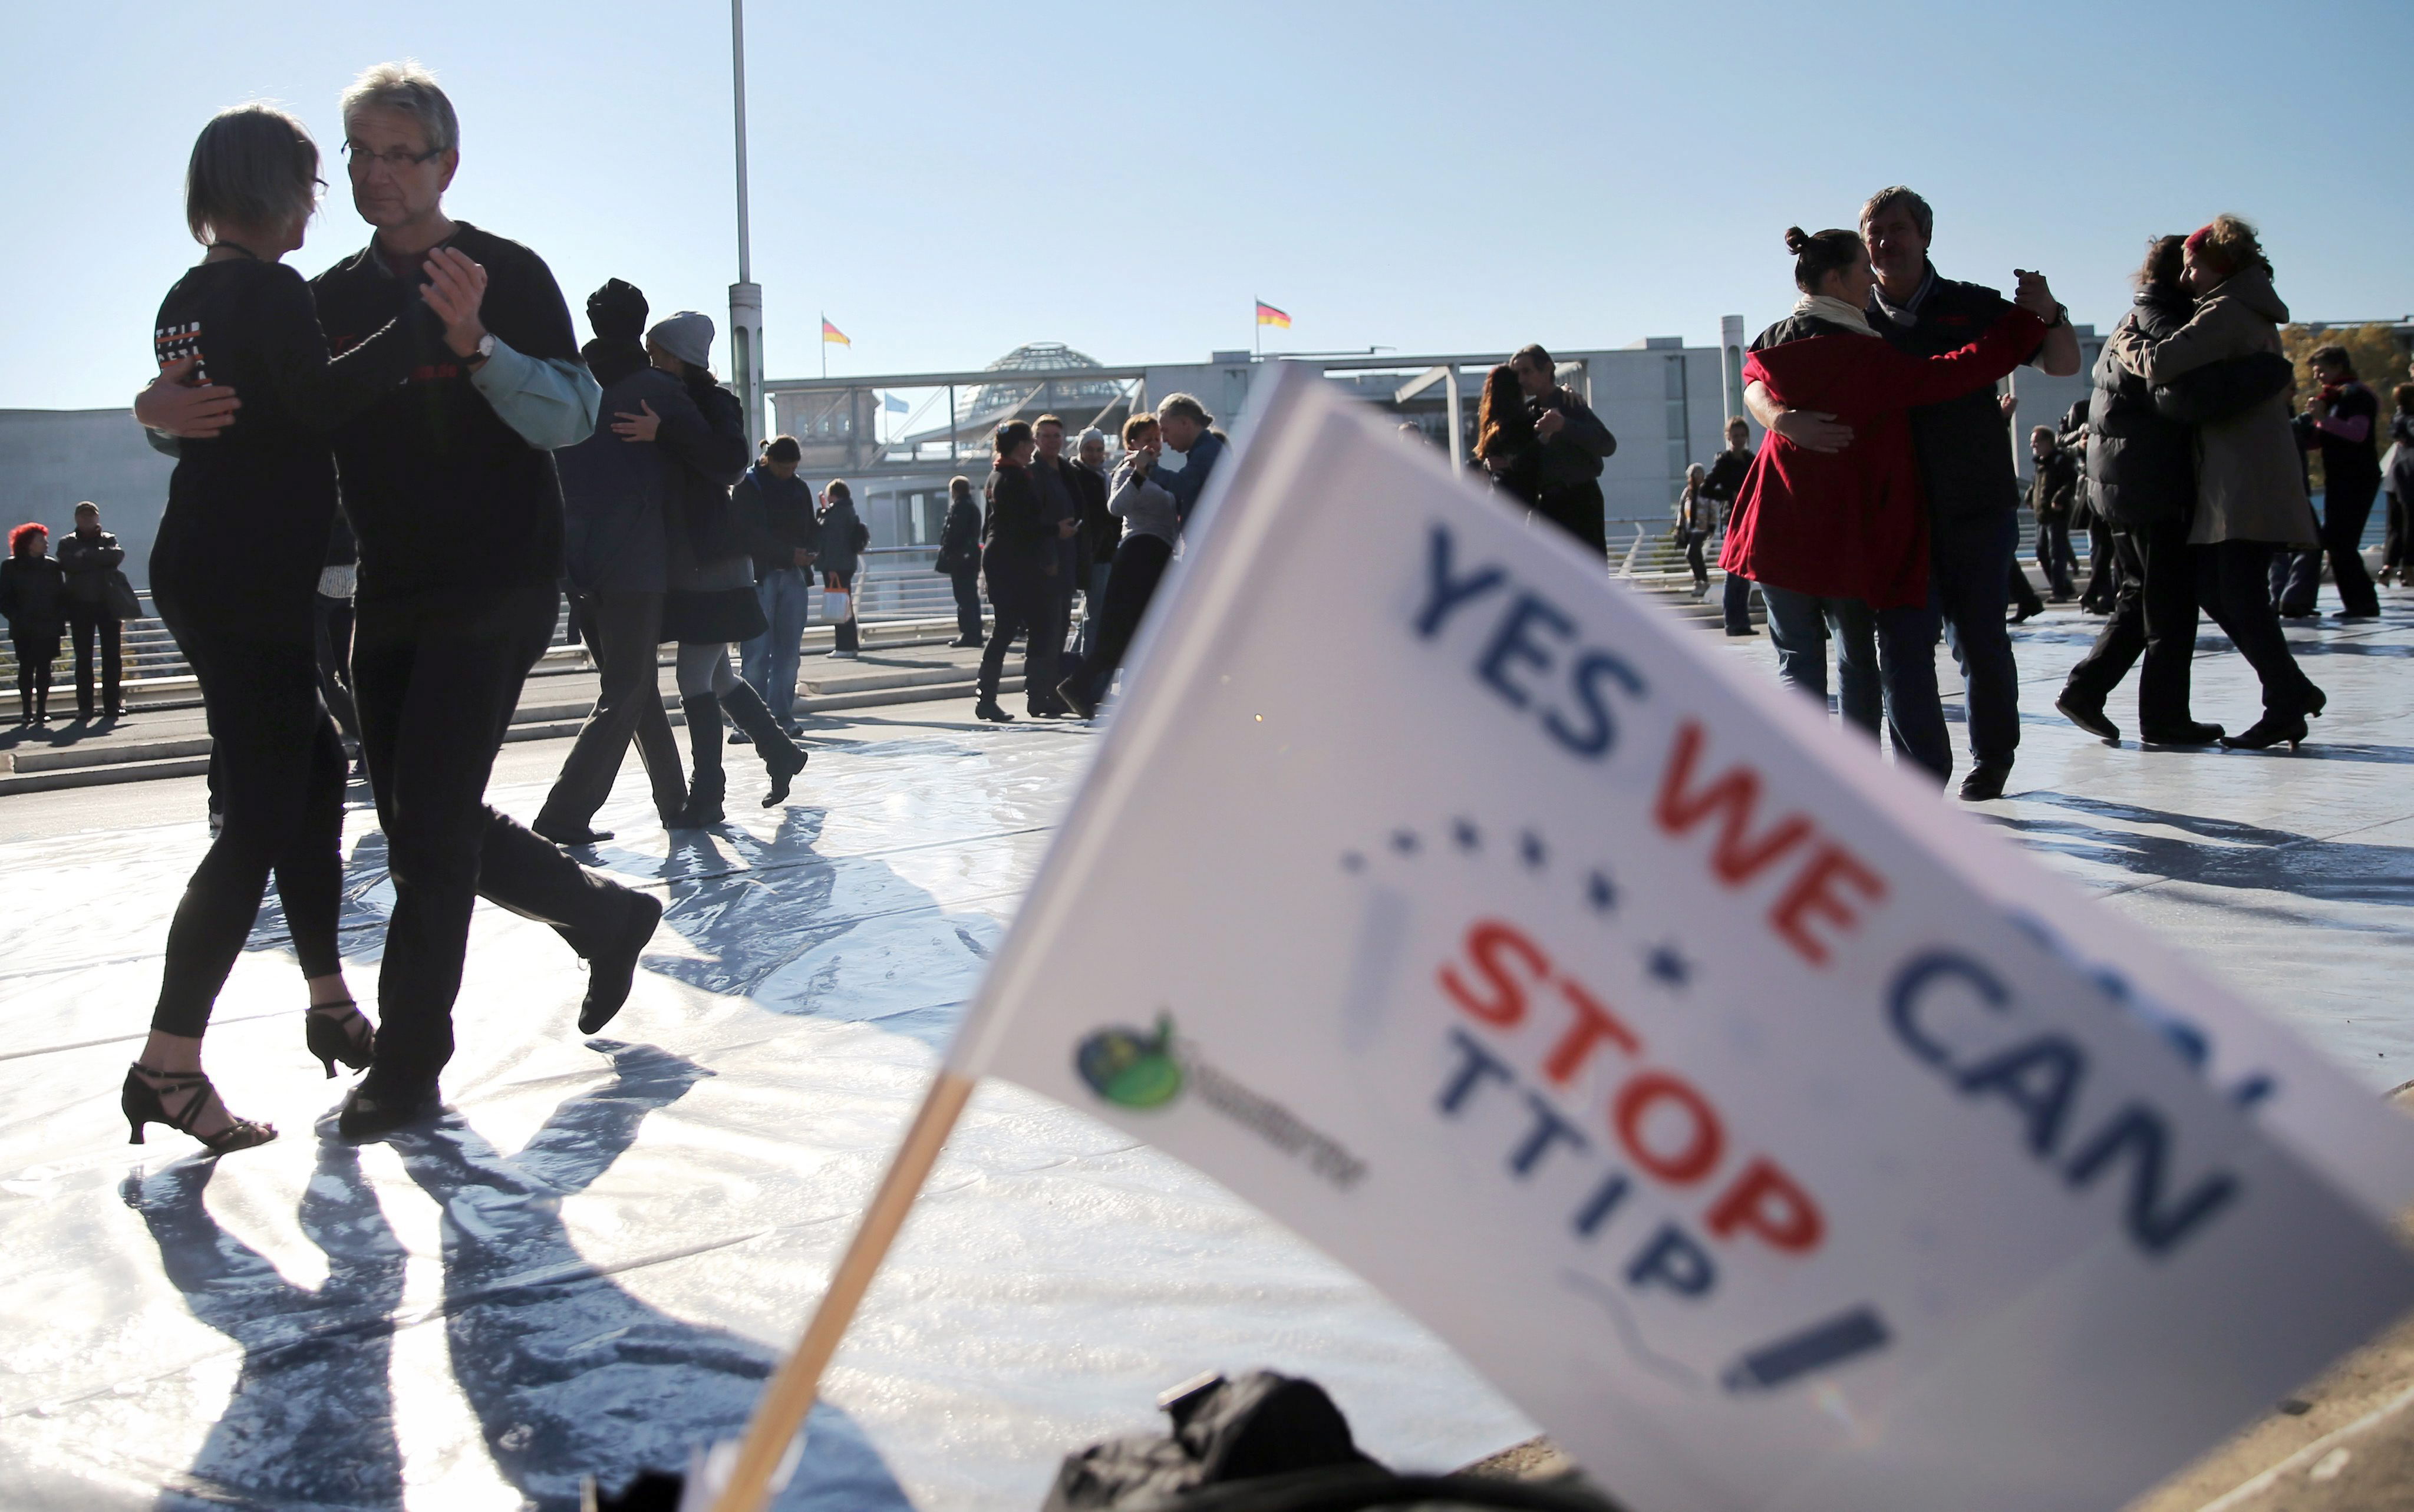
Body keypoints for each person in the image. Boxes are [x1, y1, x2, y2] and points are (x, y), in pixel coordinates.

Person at [304, 63, 665, 1136]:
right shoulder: (330, 298)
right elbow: (284, 415)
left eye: (397, 154)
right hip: (392, 583)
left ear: (445, 165)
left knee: (426, 839)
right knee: (427, 815)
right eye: (358, 154)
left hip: (502, 577)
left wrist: (480, 348)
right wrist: (165, 410)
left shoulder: (506, 271)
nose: (376, 173)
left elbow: (569, 418)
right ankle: (605, 915)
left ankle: (409, 1064)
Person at [122, 103, 453, 1153]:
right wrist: (417, 330)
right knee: (263, 812)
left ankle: (329, 1002)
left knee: (310, 770)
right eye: (311, 180)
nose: (320, 197)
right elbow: (315, 406)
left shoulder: (191, 294)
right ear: (271, 187)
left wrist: (150, 410)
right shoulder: (267, 289)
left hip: (213, 564)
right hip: (245, 577)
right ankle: (169, 1064)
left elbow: (229, 416)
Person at [1757, 187, 2082, 801]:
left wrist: (2049, 313)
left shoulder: (1975, 306)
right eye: (1872, 233)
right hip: (1891, 514)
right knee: (1901, 648)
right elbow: (1759, 373)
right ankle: (1919, 783)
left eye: (1896, 229)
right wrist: (1778, 418)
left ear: (1925, 235)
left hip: (1976, 505)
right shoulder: (1843, 315)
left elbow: (2062, 364)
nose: (1884, 242)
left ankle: (1992, 757)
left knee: (1980, 640)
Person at [2107, 216, 2325, 751]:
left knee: (2241, 595)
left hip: (2243, 477)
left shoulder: (2227, 311)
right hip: (2246, 472)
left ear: (2218, 264)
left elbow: (2161, 362)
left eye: (2193, 265)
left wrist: (2125, 340)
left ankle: (2286, 703)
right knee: (2224, 590)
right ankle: (2290, 691)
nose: (2186, 278)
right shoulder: (2249, 310)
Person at [530, 279, 692, 844]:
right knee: (626, 689)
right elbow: (714, 457)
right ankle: (565, 812)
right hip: (636, 558)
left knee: (634, 684)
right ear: (641, 326)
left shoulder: (565, 382)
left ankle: (675, 800)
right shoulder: (659, 390)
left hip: (574, 558)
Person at [2056, 235, 2232, 749]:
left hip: (2122, 482)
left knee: (2141, 596)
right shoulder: (2166, 322)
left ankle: (2085, 690)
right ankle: (2164, 718)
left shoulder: (2133, 319)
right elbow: (2185, 393)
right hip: (2154, 482)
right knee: (2171, 607)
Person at [639, 311, 806, 825]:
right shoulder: (691, 400)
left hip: (712, 559)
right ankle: (780, 753)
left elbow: (730, 461)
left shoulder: (712, 402)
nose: (653, 362)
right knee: (718, 676)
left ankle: (708, 794)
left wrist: (663, 432)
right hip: (705, 558)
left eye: (658, 354)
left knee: (694, 676)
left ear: (677, 356)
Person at [1058, 411, 1180, 719]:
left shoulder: (1165, 473)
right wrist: (1138, 472)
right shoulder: (1127, 472)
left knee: (1147, 629)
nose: (1154, 444)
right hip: (1138, 553)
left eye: (1157, 438)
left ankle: (1083, 686)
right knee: (1123, 629)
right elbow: (1116, 507)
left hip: (1161, 555)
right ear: (1132, 444)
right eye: (1147, 439)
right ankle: (1081, 686)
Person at [972, 420, 1056, 723]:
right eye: (1031, 441)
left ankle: (989, 697)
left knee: (1009, 628)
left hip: (1000, 559)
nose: (1034, 446)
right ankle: (1033, 695)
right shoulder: (1016, 479)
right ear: (1022, 446)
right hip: (1015, 562)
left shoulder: (996, 476)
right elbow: (1023, 525)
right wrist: (1055, 531)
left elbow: (993, 525)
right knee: (1032, 624)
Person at [734, 434, 819, 728]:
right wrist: (790, 553)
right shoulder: (749, 485)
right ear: (769, 460)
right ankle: (752, 722)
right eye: (785, 468)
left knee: (788, 653)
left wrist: (811, 550)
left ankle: (780, 717)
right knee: (758, 652)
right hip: (763, 574)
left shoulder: (797, 487)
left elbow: (810, 527)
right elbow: (749, 533)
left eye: (793, 468)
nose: (789, 474)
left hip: (790, 573)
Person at [2300, 344, 2383, 621]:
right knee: (2337, 541)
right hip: (2339, 477)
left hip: (2357, 478)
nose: (2318, 377)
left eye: (2321, 370)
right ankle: (2359, 603)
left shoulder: (2356, 396)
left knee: (2341, 541)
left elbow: (2358, 434)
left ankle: (2363, 603)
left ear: (2338, 367)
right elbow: (2323, 437)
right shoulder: (2333, 398)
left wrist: (2323, 420)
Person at [1509, 345, 1617, 555]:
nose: (1521, 380)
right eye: (1517, 374)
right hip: (1546, 505)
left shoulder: (1570, 405)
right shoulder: (1525, 414)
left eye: (1527, 371)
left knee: (1589, 573)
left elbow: (1607, 444)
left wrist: (1564, 425)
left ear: (1547, 369)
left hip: (1581, 499)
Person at [1027, 415, 1084, 711]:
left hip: (1067, 560)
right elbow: (1034, 521)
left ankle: (1052, 692)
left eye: (1057, 436)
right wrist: (1046, 557)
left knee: (1060, 628)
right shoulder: (1033, 473)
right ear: (1036, 440)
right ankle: (1039, 696)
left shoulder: (1065, 470)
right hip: (1046, 564)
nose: (1053, 441)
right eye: (1047, 436)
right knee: (1045, 632)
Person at [58, 501, 131, 720]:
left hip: (108, 605)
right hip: (79, 606)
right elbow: (67, 564)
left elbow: (116, 557)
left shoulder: (109, 538)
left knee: (112, 657)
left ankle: (112, 704)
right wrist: (98, 557)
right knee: (83, 659)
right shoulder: (67, 543)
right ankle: (85, 707)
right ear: (76, 519)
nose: (87, 519)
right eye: (83, 516)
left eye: (91, 516)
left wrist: (85, 556)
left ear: (97, 518)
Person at [2, 523, 65, 725]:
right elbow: (4, 598)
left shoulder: (52, 566)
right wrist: (16, 617)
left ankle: (41, 711)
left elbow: (60, 595)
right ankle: (27, 710)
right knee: (27, 667)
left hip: (48, 625)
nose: (46, 543)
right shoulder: (11, 566)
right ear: (29, 544)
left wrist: (58, 617)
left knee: (45, 668)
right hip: (24, 626)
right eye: (41, 540)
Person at [1701, 417, 1757, 635]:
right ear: (1728, 438)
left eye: (1742, 436)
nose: (1739, 440)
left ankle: (1741, 622)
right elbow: (1706, 489)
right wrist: (1730, 495)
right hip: (1732, 518)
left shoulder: (1750, 460)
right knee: (1734, 572)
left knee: (1745, 572)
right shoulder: (1724, 462)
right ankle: (1733, 623)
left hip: (1749, 518)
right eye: (1735, 437)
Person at [1150, 393, 1227, 530]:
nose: (1164, 440)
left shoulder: (1206, 452)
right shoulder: (1210, 448)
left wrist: (1149, 466)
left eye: (1165, 431)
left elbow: (1181, 485)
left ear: (1185, 423)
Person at [1071, 425, 1115, 663]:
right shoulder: (1080, 476)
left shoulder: (1104, 476)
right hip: (1095, 555)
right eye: (1090, 449)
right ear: (1081, 450)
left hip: (1103, 553)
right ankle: (1085, 673)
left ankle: (1072, 665)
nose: (1096, 455)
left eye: (1099, 450)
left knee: (1091, 614)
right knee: (1096, 618)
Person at [2025, 426, 2080, 600]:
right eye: (2032, 442)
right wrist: (2029, 497)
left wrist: (2059, 498)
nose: (2034, 445)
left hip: (2057, 514)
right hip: (2042, 515)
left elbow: (2071, 482)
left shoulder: (2060, 461)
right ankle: (2064, 586)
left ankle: (2060, 591)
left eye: (2037, 442)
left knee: (2057, 553)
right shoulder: (2041, 463)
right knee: (2042, 552)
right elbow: (2037, 485)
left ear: (2048, 442)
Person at [1474, 364, 1541, 505]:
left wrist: (1488, 465)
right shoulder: (1527, 422)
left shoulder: (1492, 425)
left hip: (1499, 494)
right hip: (1523, 497)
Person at [814, 478, 863, 660]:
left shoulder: (838, 514)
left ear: (833, 494)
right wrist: (824, 509)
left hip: (837, 566)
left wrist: (832, 567)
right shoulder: (846, 510)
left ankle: (844, 646)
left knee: (840, 607)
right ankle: (849, 645)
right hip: (845, 564)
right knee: (845, 606)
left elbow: (832, 540)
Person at [936, 475, 985, 646]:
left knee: (964, 598)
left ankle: (969, 634)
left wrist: (948, 552)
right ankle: (975, 634)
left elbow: (954, 534)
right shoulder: (972, 508)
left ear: (954, 491)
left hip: (961, 561)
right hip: (970, 559)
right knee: (971, 597)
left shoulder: (960, 508)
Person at [2385, 382, 2414, 587]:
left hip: (2395, 478)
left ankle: (2388, 566)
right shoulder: (2411, 419)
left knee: (2395, 524)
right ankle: (2408, 567)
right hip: (2410, 477)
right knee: (2411, 524)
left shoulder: (2397, 418)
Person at [1675, 464, 1714, 596]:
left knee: (1690, 553)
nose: (1698, 477)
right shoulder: (1687, 492)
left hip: (1702, 528)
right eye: (1695, 474)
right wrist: (1679, 527)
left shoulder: (1707, 490)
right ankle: (1703, 583)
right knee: (1697, 555)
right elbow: (1681, 510)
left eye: (1700, 474)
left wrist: (1712, 527)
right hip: (1690, 529)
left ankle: (1700, 582)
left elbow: (1713, 509)